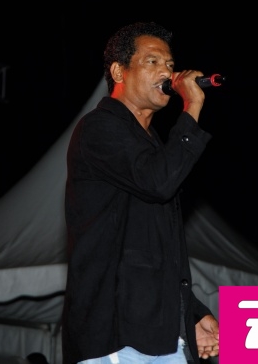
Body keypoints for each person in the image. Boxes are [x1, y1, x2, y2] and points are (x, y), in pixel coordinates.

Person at [62, 21, 220, 364]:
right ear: (119, 71)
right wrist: (191, 108)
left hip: (158, 336)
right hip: (115, 336)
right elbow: (157, 183)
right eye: (153, 61)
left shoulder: (155, 149)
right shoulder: (98, 128)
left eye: (170, 63)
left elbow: (158, 252)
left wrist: (191, 314)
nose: (166, 71)